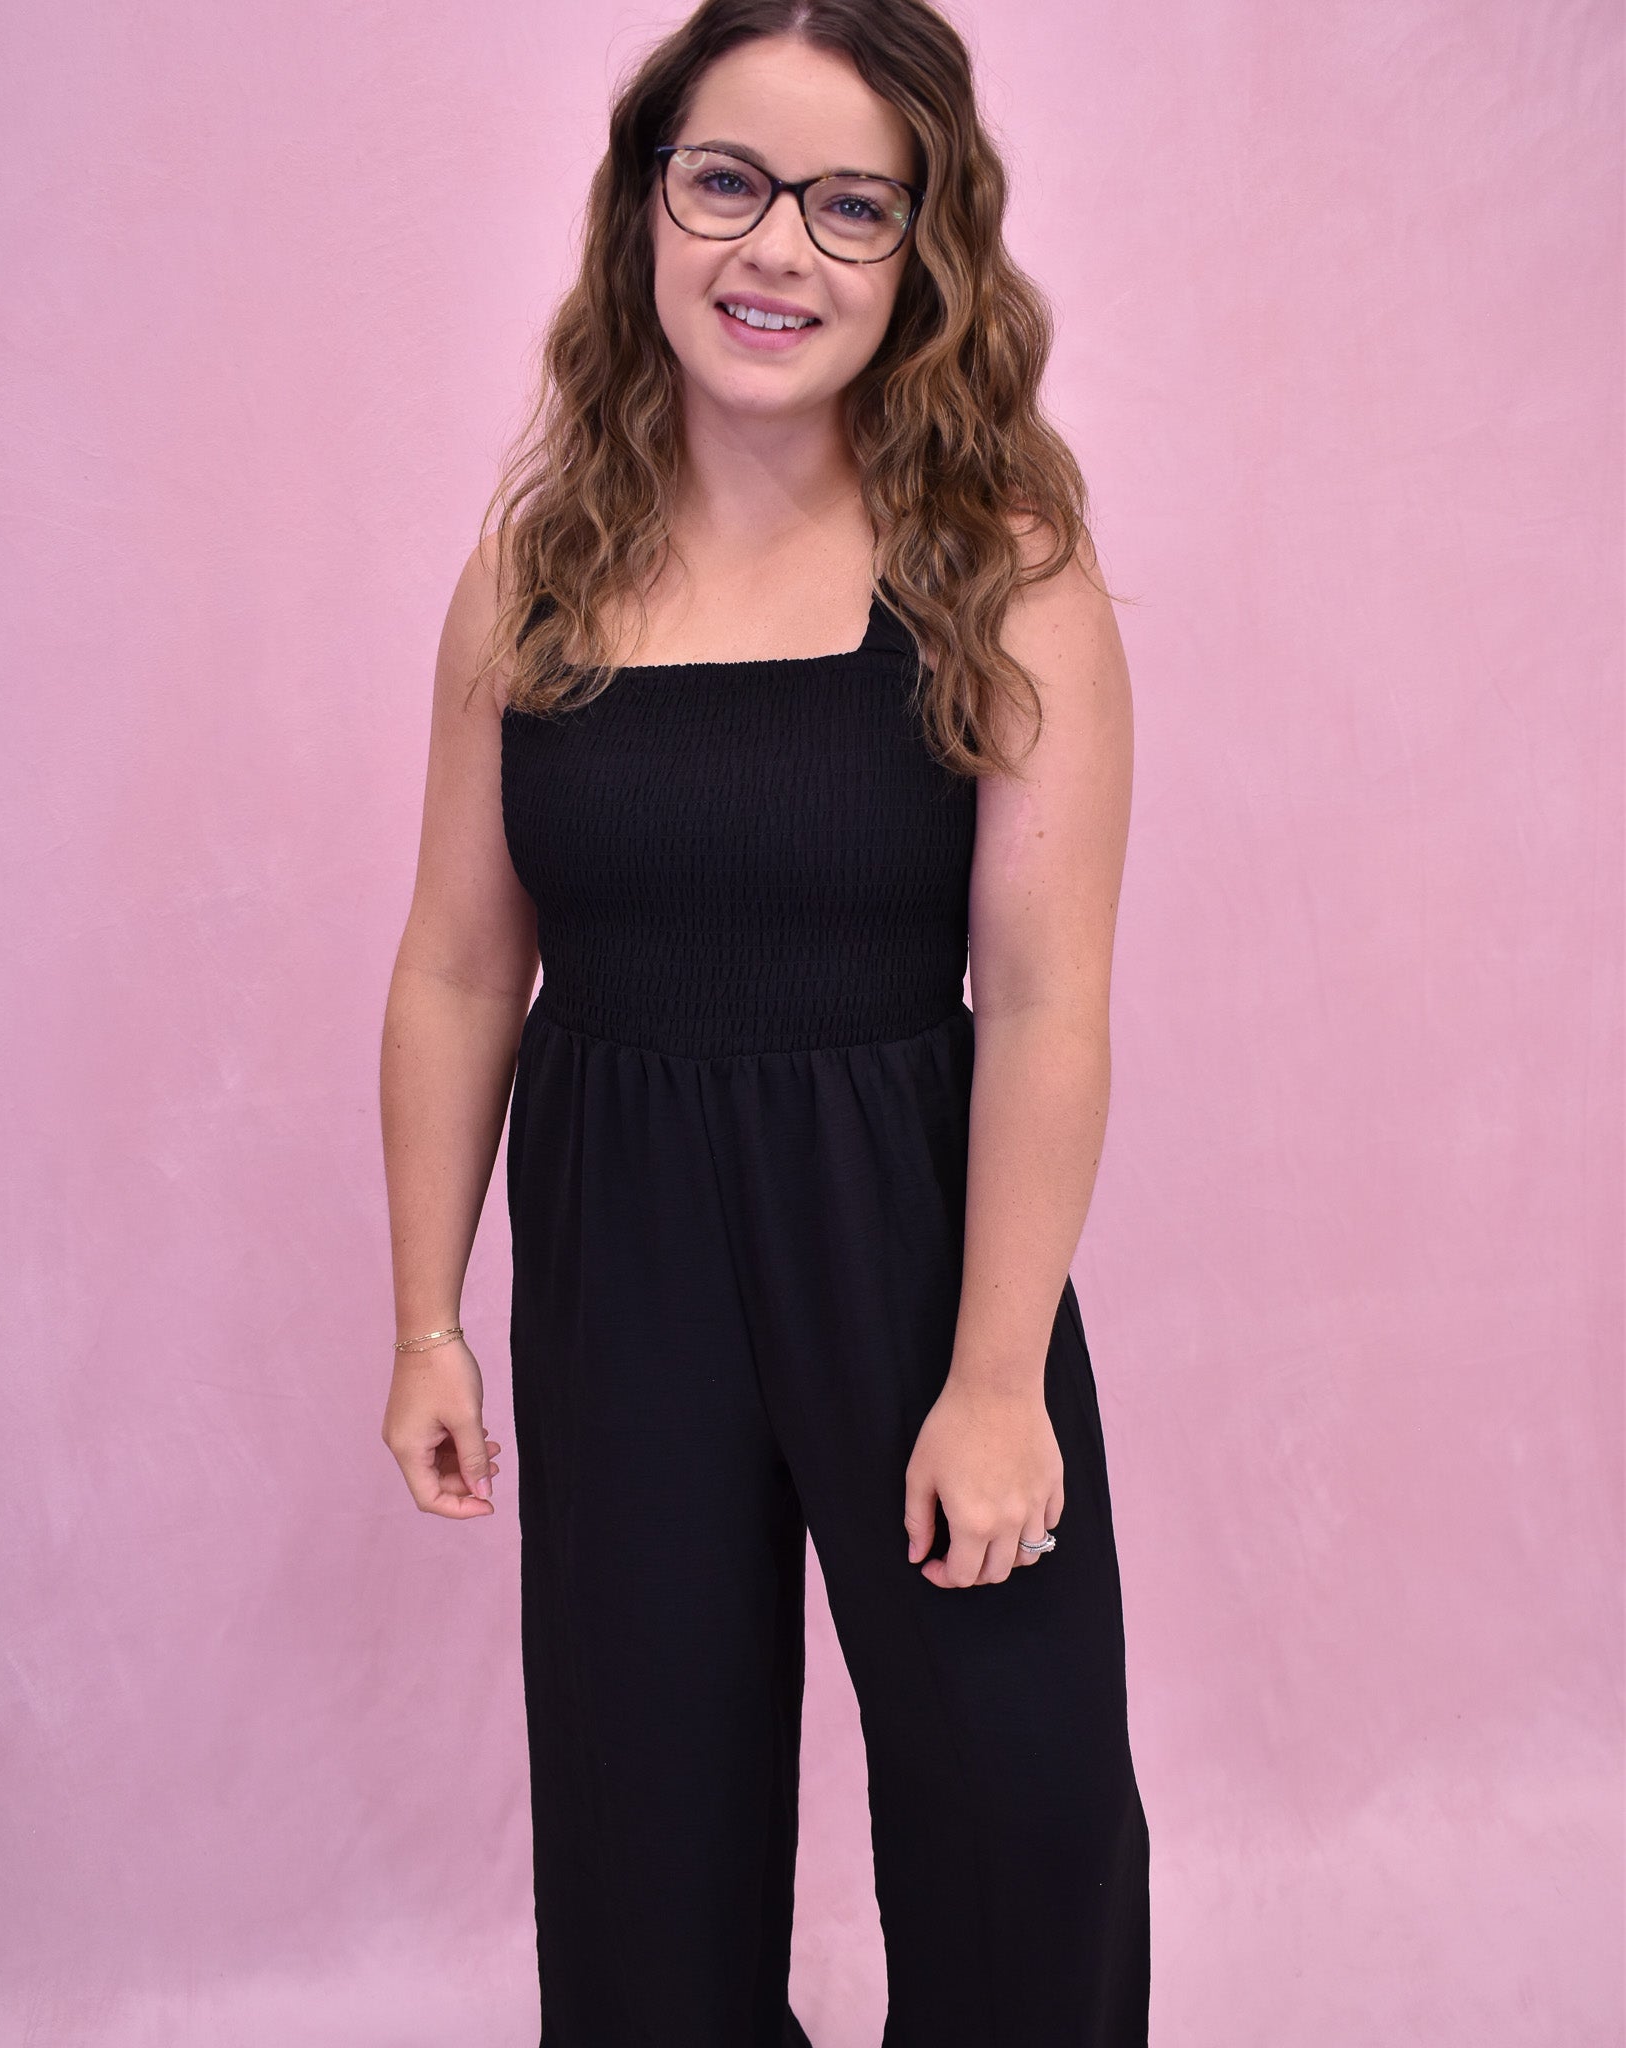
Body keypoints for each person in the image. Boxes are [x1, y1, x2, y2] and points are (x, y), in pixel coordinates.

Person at [379, 1, 1149, 2040]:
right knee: (649, 1855)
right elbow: (463, 962)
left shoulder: (1005, 573)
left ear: (923, 254)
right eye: (726, 181)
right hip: (619, 1232)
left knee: (1025, 1823)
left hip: (911, 1222)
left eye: (847, 205)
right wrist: (428, 1317)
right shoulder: (529, 577)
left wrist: (1000, 1380)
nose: (774, 249)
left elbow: (1050, 997)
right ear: (648, 206)